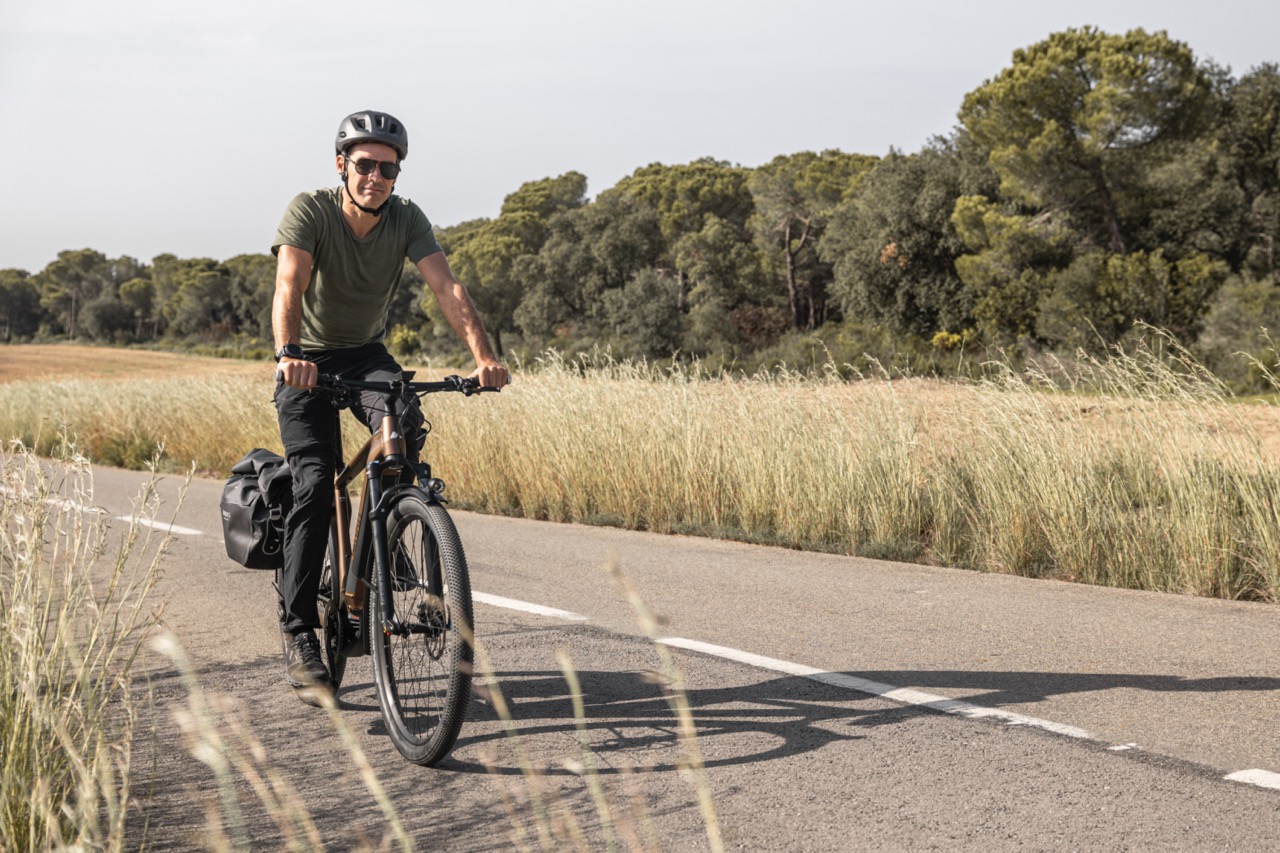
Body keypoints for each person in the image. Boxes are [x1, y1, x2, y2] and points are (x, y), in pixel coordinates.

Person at [271, 109, 508, 701]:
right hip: (307, 360)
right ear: (342, 165)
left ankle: (391, 531)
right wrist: (289, 353)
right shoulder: (311, 209)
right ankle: (300, 632)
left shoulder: (405, 219)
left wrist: (484, 357)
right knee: (313, 486)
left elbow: (447, 288)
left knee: (401, 429)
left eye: (389, 168)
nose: (377, 176)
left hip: (365, 354)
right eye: (366, 164)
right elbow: (289, 284)